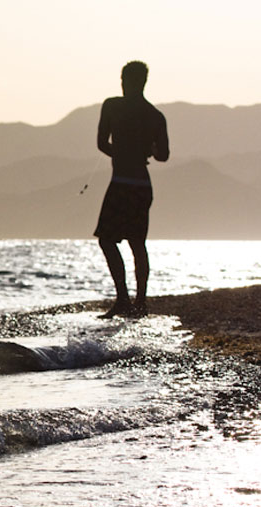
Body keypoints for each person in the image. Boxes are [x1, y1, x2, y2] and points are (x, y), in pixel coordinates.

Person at [94, 60, 169, 318]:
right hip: (141, 185)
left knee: (110, 240)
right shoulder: (155, 116)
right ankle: (138, 302)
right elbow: (164, 156)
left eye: (127, 82)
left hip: (123, 184)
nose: (125, 86)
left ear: (131, 82)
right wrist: (144, 150)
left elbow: (102, 143)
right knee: (137, 244)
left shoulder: (112, 106)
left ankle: (127, 300)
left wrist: (122, 153)